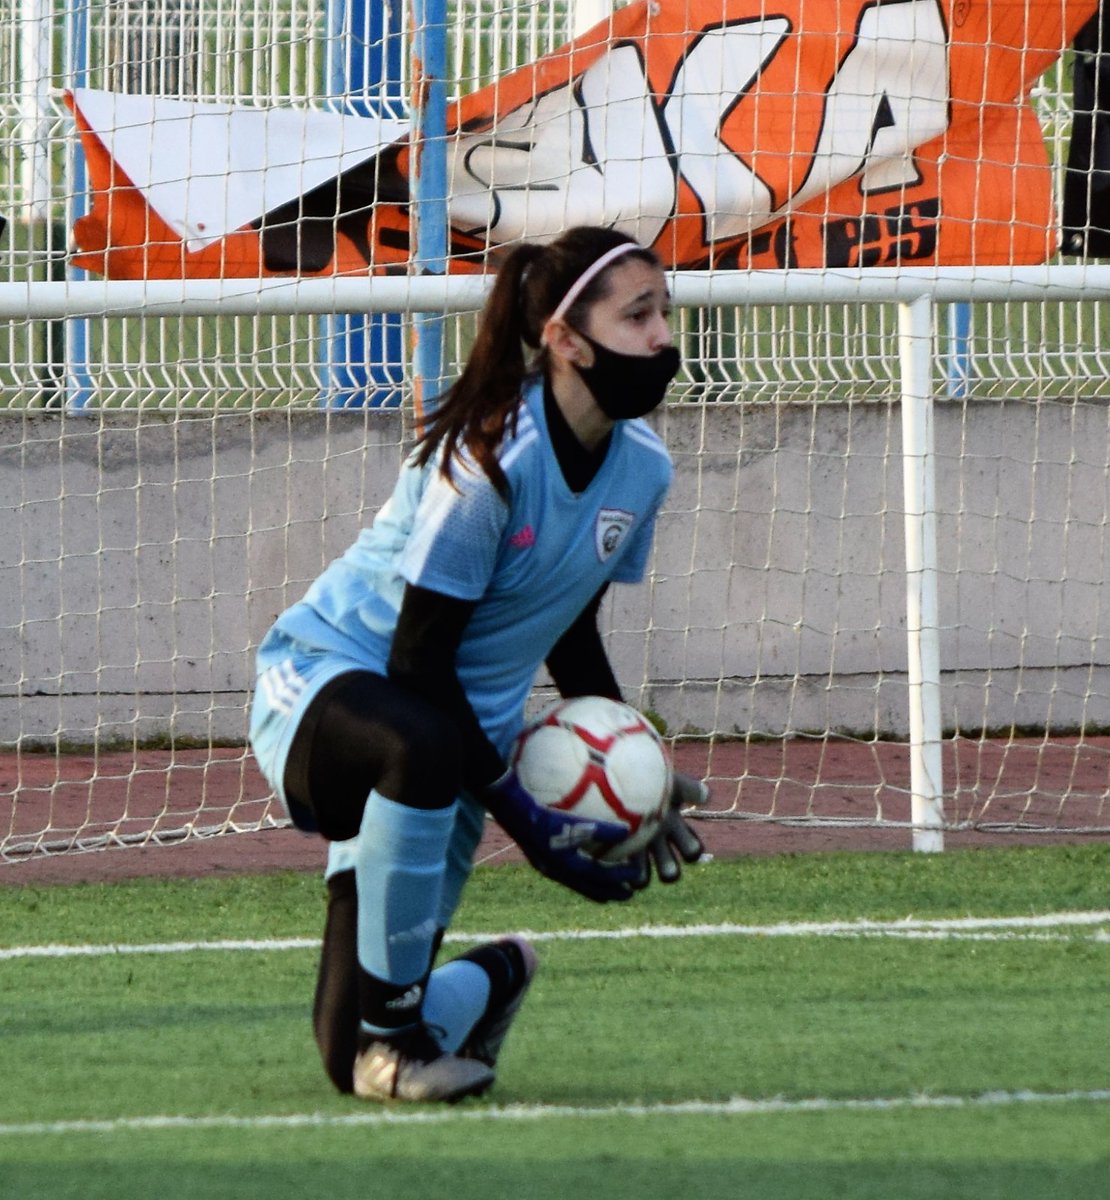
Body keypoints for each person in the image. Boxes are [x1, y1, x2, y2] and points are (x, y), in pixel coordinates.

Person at [248, 226, 708, 1105]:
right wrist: (527, 821)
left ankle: (485, 985)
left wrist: (632, 765)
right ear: (567, 342)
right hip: (325, 684)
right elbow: (418, 661)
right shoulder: (491, 458)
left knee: (342, 1057)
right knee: (417, 745)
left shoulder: (644, 470)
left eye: (665, 313)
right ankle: (402, 1049)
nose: (663, 338)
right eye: (639, 315)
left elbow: (571, 622)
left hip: (457, 740)